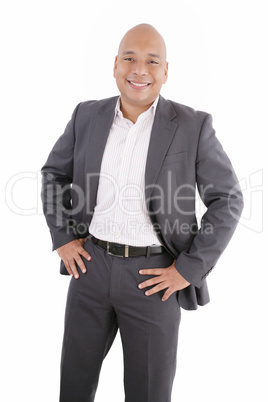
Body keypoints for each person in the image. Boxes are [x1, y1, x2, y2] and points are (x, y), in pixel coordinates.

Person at [41, 23, 244, 402]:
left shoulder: (192, 125)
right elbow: (54, 175)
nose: (140, 70)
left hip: (154, 279)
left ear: (166, 71)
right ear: (115, 64)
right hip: (90, 267)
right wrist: (64, 237)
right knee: (73, 386)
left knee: (148, 393)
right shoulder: (87, 115)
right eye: (130, 58)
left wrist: (189, 268)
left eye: (152, 61)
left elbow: (228, 199)